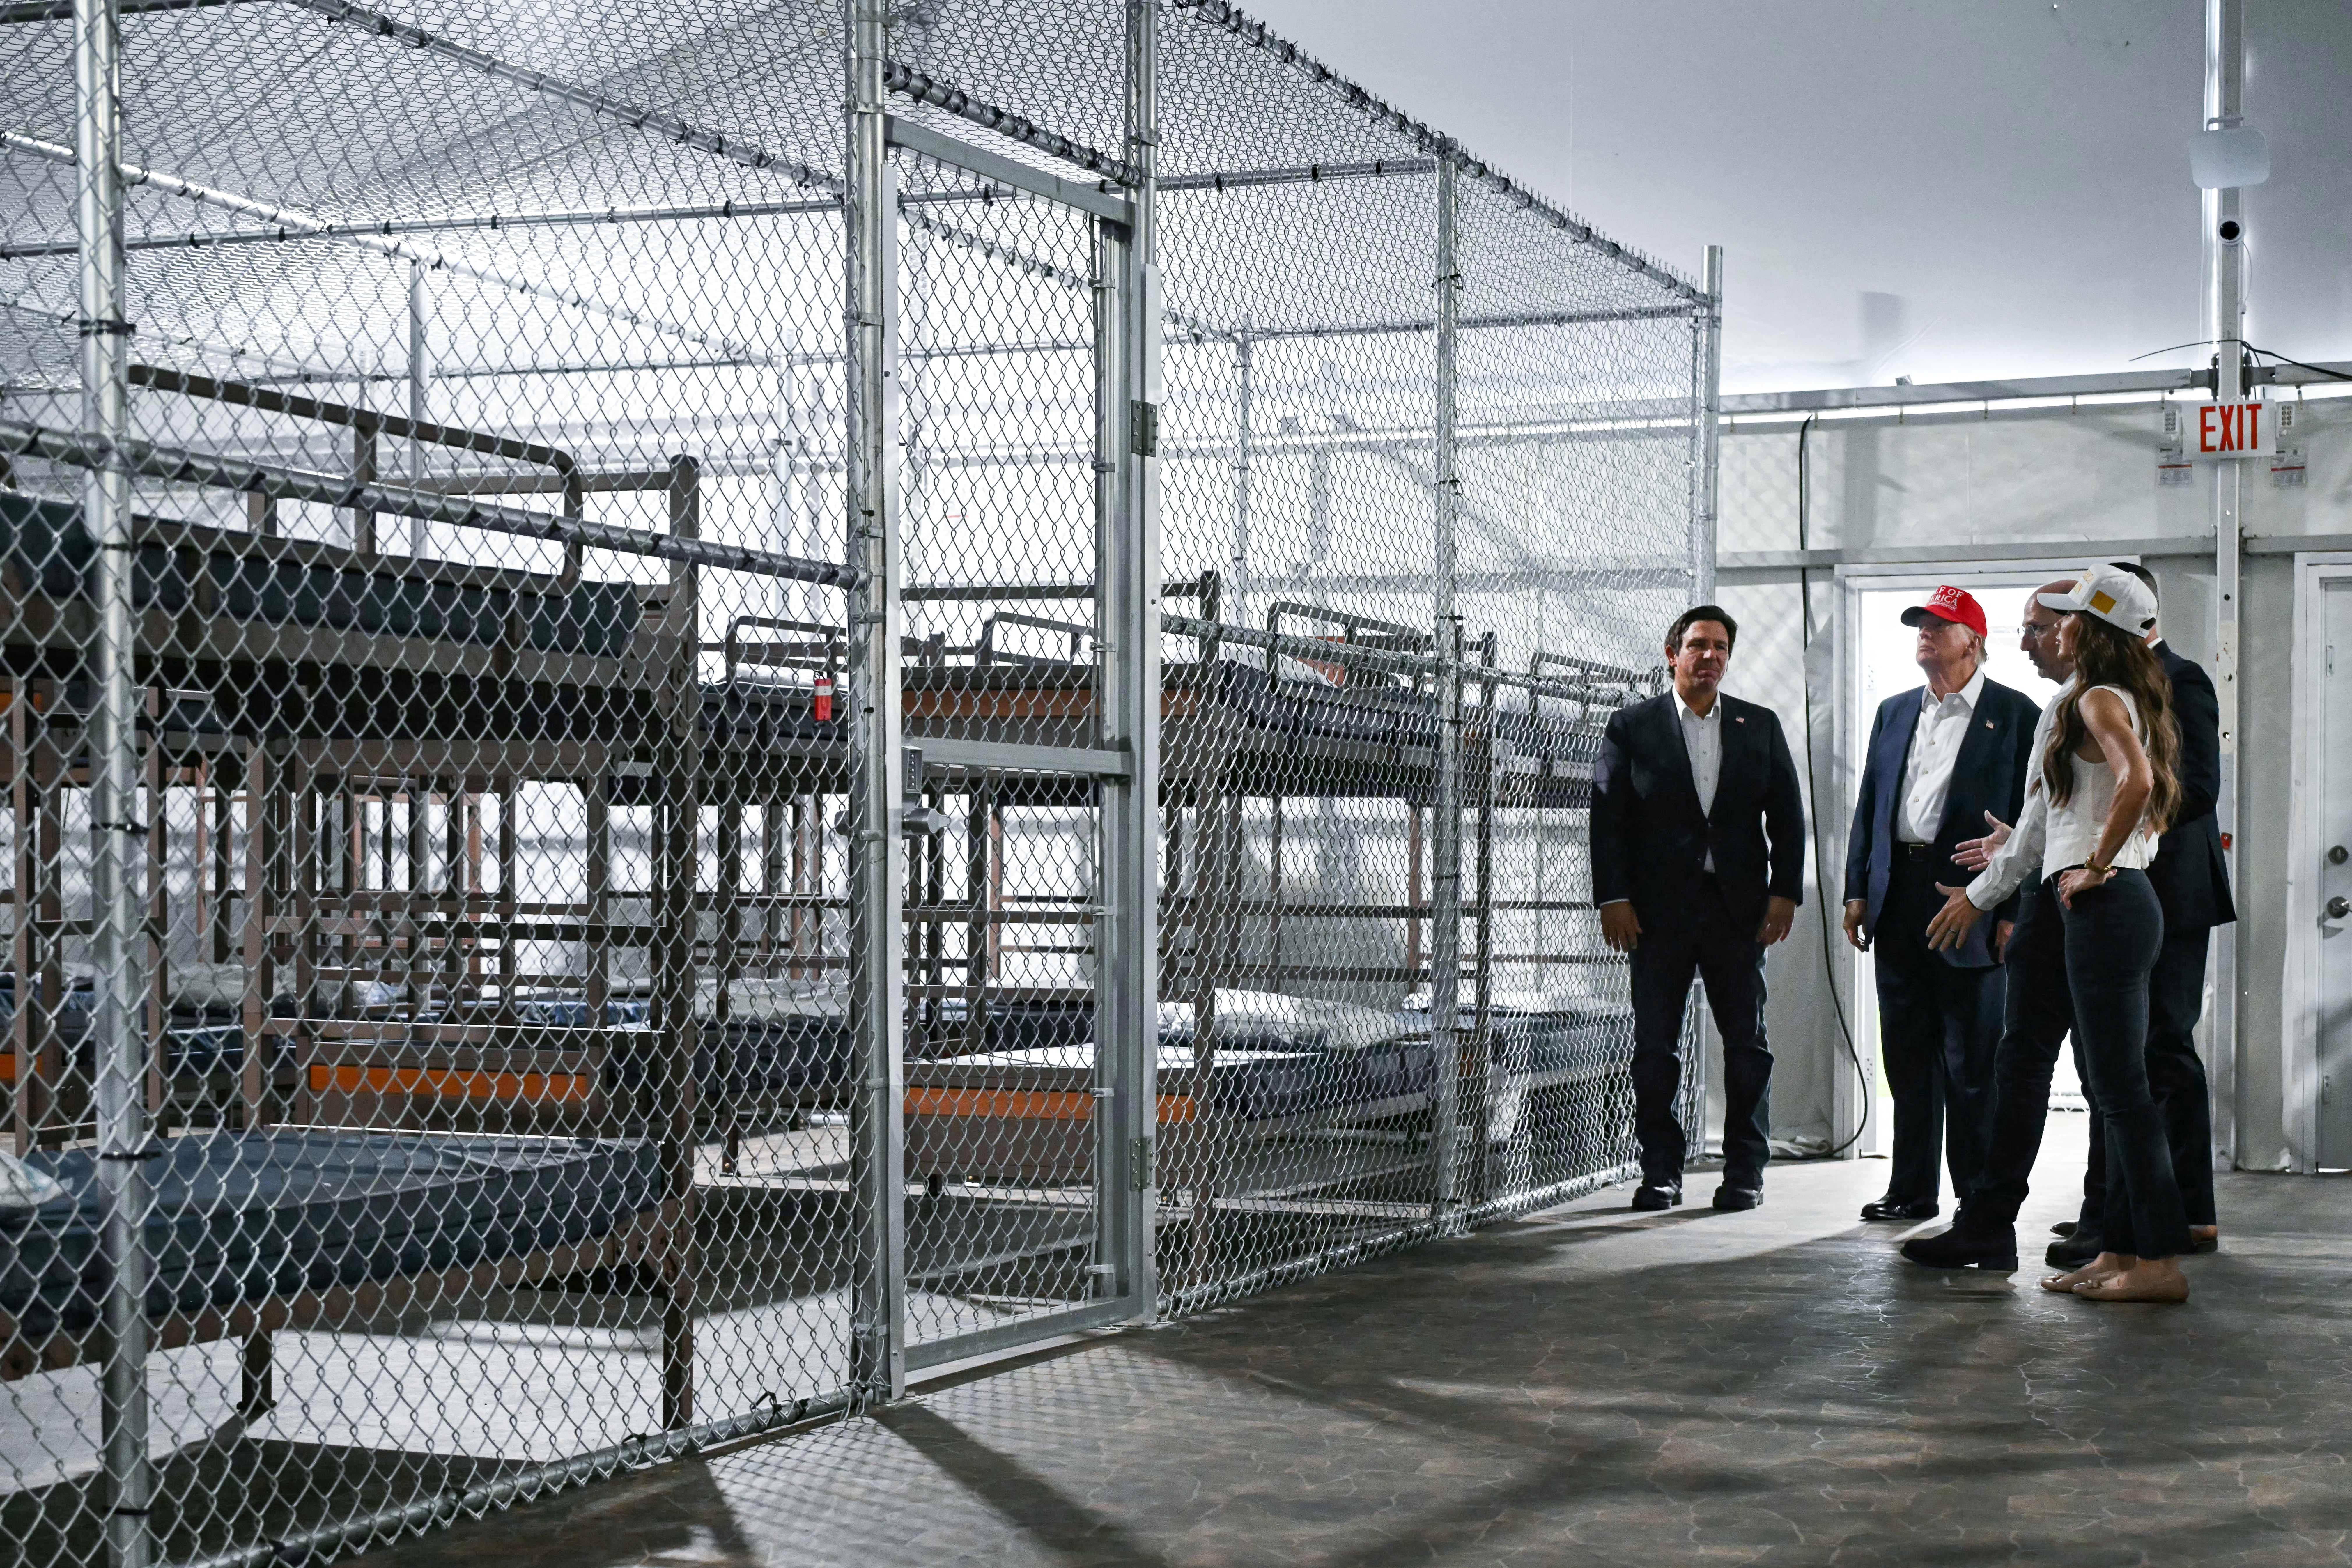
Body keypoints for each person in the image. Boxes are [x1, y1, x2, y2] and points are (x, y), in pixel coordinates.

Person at [1913, 566, 2192, 1302]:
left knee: (2121, 1092)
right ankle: (2120, 1250)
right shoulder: (2110, 696)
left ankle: (2158, 1263)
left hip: (2105, 903)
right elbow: (2061, 817)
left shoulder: (2096, 698)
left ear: (2092, 630)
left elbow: (2135, 783)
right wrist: (2054, 858)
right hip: (2105, 901)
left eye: (2063, 619)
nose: (2051, 630)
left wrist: (2094, 864)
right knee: (2113, 1087)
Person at [2045, 561, 2232, 1264]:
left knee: (2160, 1050)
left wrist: (2120, 841)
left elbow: (2197, 787)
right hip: (2120, 884)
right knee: (2115, 1059)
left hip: (2169, 892)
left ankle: (2186, 1214)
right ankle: (2110, 1214)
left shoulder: (2179, 678)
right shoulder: (2093, 688)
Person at [1591, 605, 1805, 1212]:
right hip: (1656, 915)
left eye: (1720, 647)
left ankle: (1745, 1173)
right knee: (1654, 1047)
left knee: (1747, 1045)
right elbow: (1606, 820)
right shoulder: (1630, 727)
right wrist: (1613, 898)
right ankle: (1660, 1172)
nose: (1709, 656)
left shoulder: (1758, 725)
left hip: (1737, 911)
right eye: (1697, 645)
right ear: (1672, 655)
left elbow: (1787, 817)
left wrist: (1785, 891)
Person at [1841, 584, 2040, 1222]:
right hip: (1898, 893)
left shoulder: (2016, 714)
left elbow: (2032, 821)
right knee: (1906, 1052)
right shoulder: (1894, 711)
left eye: (1939, 625)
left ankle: (1976, 1199)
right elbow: (1871, 806)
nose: (1924, 633)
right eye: (1920, 625)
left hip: (1972, 897)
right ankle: (1910, 1189)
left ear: (1972, 644)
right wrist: (1856, 890)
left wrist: (2010, 911)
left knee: (1972, 1059)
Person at [1898, 580, 2078, 1274]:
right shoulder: (2071, 702)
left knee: (2059, 1075)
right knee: (2022, 1067)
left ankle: (2124, 1235)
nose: (2024, 641)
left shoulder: (2070, 704)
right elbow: (2041, 823)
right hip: (2032, 899)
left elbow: (2130, 796)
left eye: (2036, 628)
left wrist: (1990, 900)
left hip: (2071, 905)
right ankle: (1982, 1220)